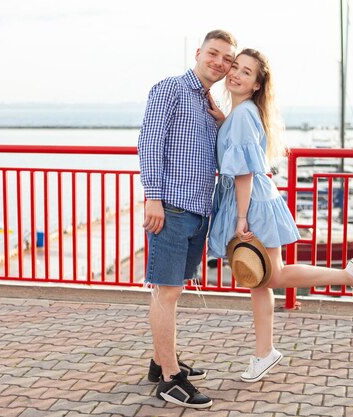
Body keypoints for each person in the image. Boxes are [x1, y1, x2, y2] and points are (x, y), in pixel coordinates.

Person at [207, 48, 353, 383]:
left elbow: (242, 171)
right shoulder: (242, 113)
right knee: (258, 280)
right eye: (236, 68)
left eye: (247, 72)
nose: (236, 74)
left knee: (272, 276)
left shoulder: (243, 115)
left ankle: (348, 276)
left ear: (257, 84)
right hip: (255, 198)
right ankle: (263, 353)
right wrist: (222, 120)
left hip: (251, 202)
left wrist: (241, 218)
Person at [137, 29, 237, 409]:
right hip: (172, 208)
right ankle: (169, 379)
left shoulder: (207, 104)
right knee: (168, 292)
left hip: (199, 210)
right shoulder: (170, 89)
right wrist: (153, 198)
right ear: (199, 52)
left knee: (173, 287)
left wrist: (222, 119)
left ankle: (160, 360)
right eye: (214, 53)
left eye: (226, 59)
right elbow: (150, 143)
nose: (219, 62)